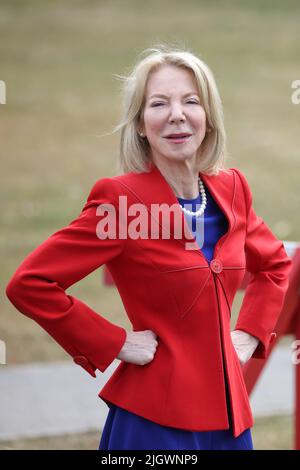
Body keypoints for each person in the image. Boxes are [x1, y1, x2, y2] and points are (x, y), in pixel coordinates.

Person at [6, 44, 292, 451]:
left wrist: (248, 334)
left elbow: (275, 266)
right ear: (141, 124)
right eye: (159, 104)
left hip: (231, 424)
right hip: (154, 425)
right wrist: (115, 342)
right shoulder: (121, 201)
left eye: (190, 101)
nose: (177, 114)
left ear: (208, 117)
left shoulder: (231, 189)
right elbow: (30, 283)